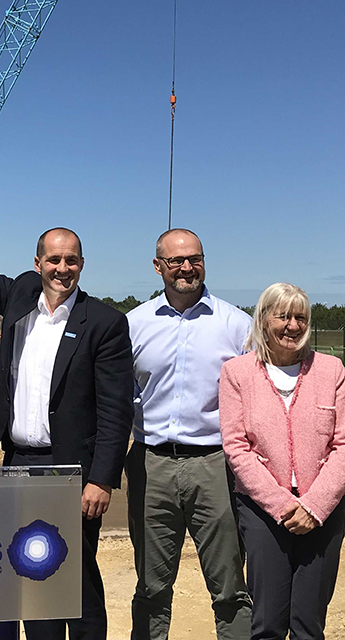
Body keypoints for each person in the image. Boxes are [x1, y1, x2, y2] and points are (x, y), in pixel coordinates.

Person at [0, 172, 134, 640]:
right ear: (37, 262)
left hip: (71, 471)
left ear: (82, 264)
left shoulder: (104, 322)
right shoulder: (20, 295)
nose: (62, 268)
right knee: (30, 570)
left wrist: (101, 478)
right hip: (18, 463)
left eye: (71, 260)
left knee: (76, 581)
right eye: (54, 259)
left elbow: (117, 410)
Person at [125, 229, 253, 640]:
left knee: (230, 589)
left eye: (194, 259)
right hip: (150, 464)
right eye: (176, 260)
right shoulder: (133, 325)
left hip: (216, 466)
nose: (186, 267)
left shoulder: (237, 326)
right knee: (150, 587)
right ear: (157, 265)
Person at [219, 283, 345, 640]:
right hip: (263, 512)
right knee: (267, 621)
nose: (292, 326)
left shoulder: (331, 370)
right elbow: (237, 448)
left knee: (309, 623)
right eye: (283, 316)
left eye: (300, 317)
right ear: (264, 319)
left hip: (323, 512)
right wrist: (282, 504)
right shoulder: (237, 373)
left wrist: (314, 506)